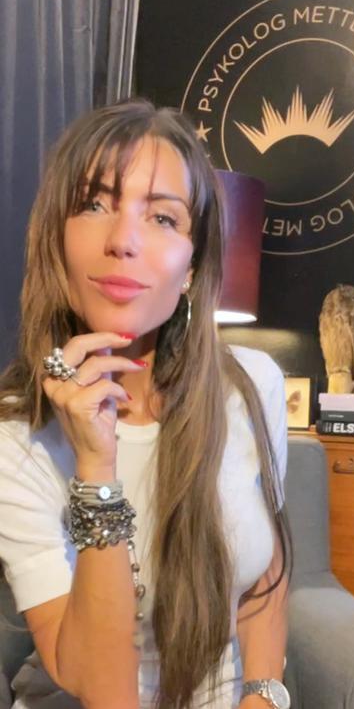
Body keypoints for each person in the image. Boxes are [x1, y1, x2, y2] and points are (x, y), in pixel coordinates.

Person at [0, 99, 290, 709]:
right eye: (94, 204)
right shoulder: (16, 436)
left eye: (162, 217)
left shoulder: (253, 386)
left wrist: (264, 696)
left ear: (192, 267)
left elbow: (266, 574)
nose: (123, 240)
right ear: (57, 242)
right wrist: (96, 465)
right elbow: (96, 684)